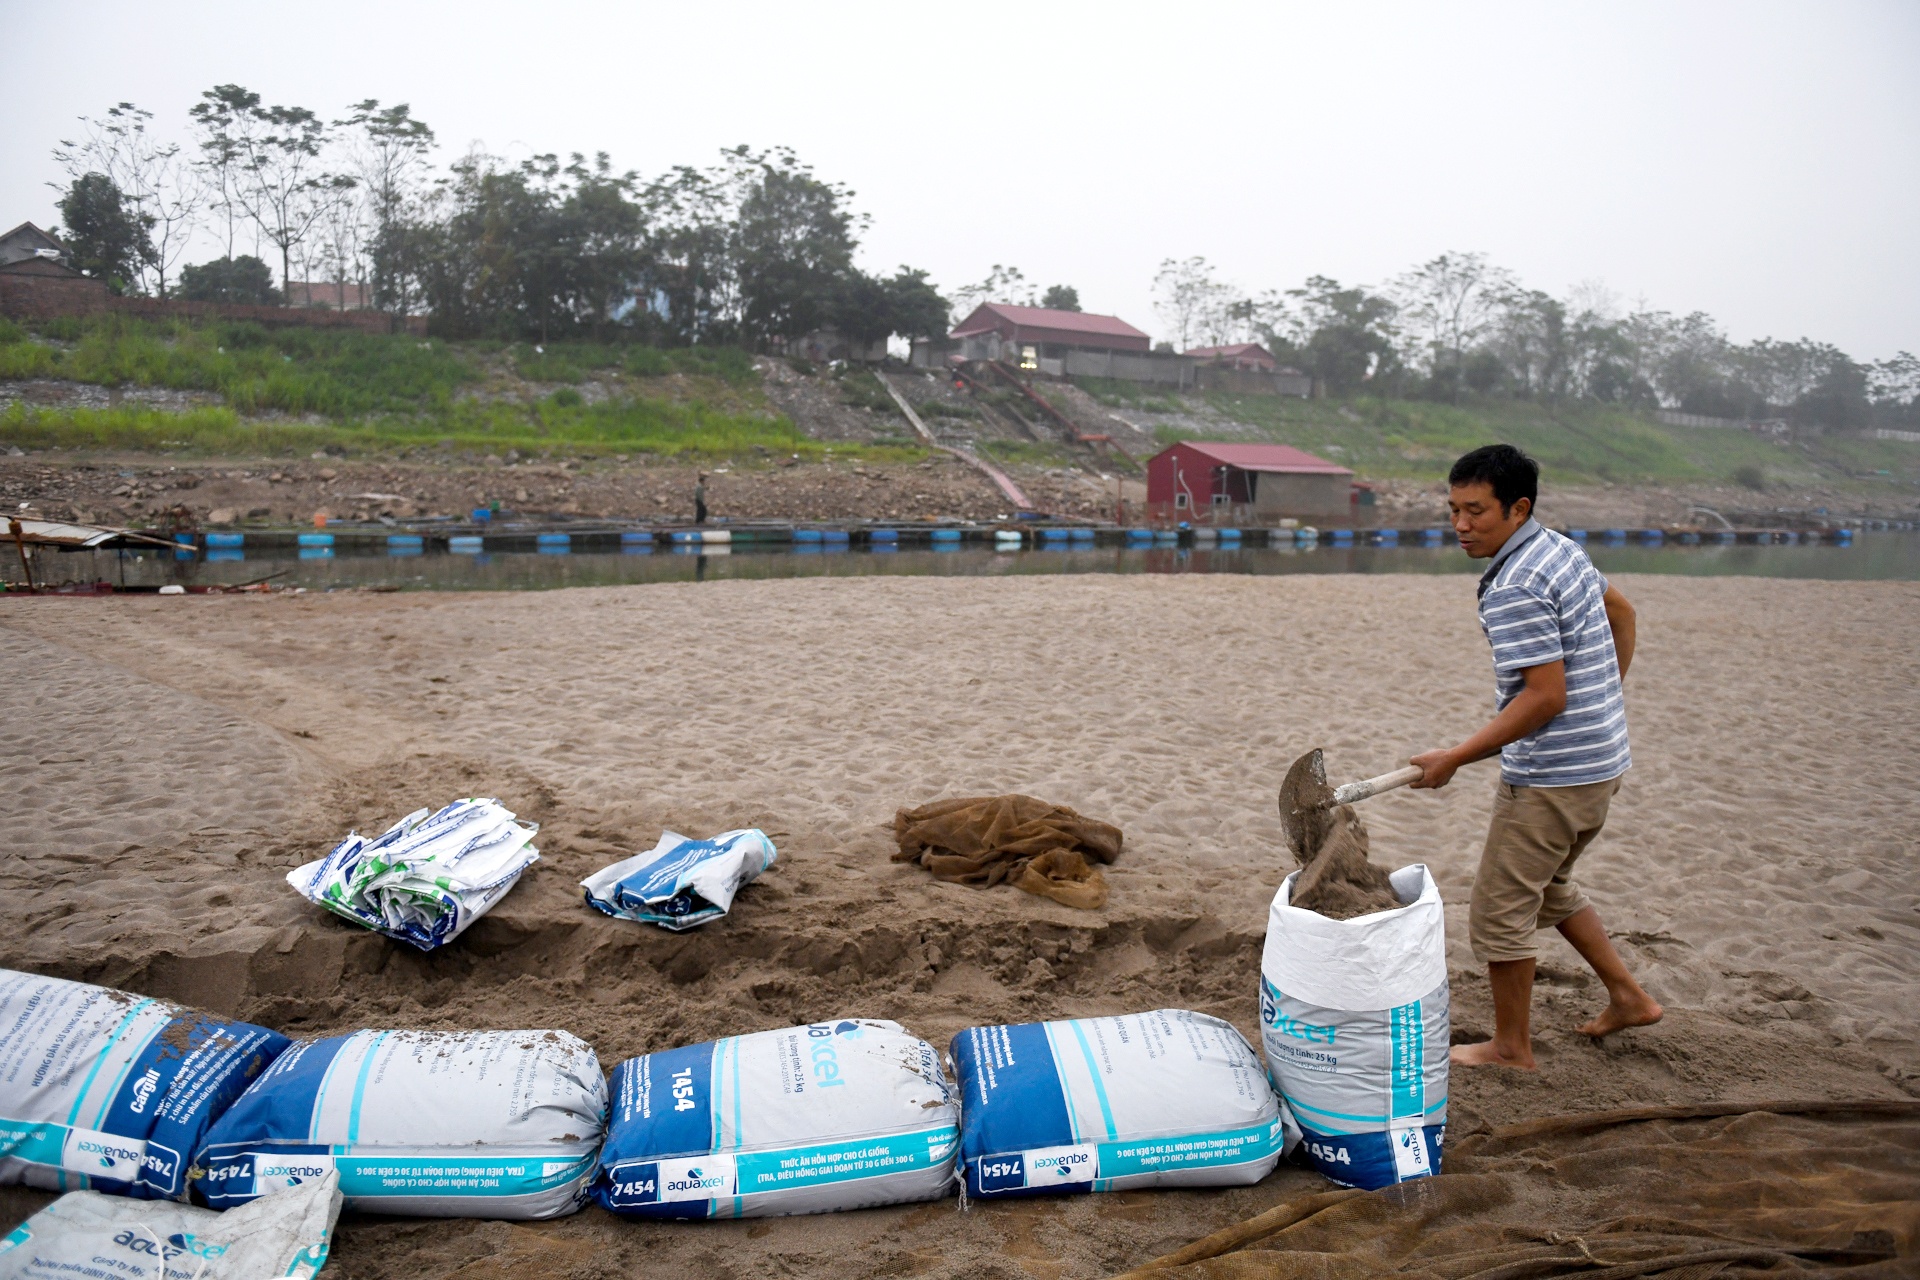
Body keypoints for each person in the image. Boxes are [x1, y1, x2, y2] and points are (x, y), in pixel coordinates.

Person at [1410, 443, 1662, 1069]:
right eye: (1454, 510)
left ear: (1518, 508)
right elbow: (1621, 612)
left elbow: (1544, 697)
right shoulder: (1561, 549)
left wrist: (1455, 757)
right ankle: (1629, 996)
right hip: (1603, 762)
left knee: (1498, 911)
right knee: (1550, 887)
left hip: (1552, 778)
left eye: (1477, 512)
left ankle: (1510, 1048)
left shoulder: (1514, 586)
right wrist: (1601, 704)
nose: (1461, 526)